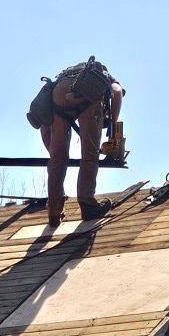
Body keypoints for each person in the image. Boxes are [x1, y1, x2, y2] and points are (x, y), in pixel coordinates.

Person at [27, 56, 125, 227]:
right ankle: (88, 206)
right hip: (86, 96)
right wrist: (113, 130)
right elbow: (117, 92)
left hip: (58, 96)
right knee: (89, 154)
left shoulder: (61, 79)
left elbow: (44, 124)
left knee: (57, 159)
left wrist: (54, 153)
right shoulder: (105, 77)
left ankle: (54, 212)